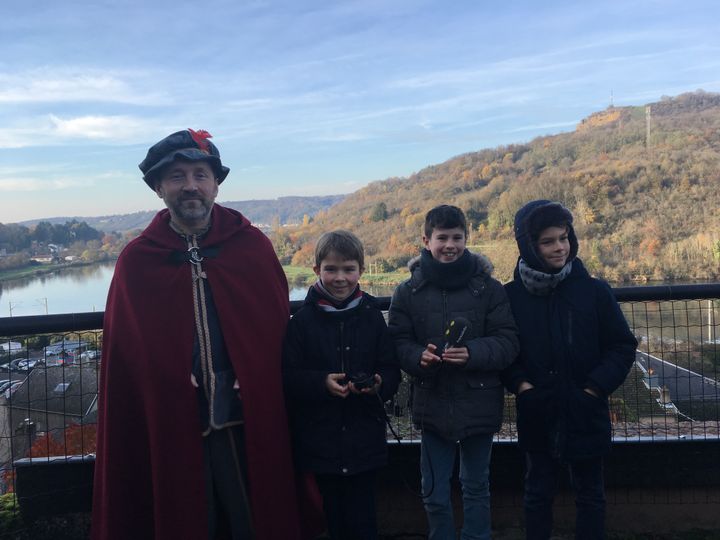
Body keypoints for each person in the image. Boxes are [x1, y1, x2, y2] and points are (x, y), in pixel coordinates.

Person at [92, 129, 320, 540]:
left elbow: (272, 331)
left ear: (216, 184)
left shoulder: (250, 247)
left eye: (200, 174)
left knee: (254, 521)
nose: (191, 186)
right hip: (173, 422)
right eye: (178, 176)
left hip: (247, 417)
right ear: (159, 188)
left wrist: (248, 368)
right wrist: (167, 374)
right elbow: (129, 352)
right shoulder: (137, 262)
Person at [501, 200, 637, 540]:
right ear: (529, 245)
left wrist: (593, 389)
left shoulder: (594, 291)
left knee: (590, 494)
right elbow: (504, 351)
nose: (559, 247)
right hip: (538, 410)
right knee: (537, 493)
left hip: (586, 410)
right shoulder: (510, 296)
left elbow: (621, 346)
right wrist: (522, 387)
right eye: (548, 241)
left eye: (563, 238)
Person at [388, 205, 519, 540]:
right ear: (426, 240)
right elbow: (399, 342)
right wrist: (420, 357)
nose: (450, 245)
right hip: (432, 402)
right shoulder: (407, 292)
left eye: (456, 237)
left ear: (467, 238)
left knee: (476, 486)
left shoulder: (490, 289)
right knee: (432, 490)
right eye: (442, 237)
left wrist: (472, 353)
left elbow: (508, 342)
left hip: (479, 400)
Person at [282, 230, 401, 540]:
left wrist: (378, 384)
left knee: (364, 521)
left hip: (364, 440)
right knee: (330, 520)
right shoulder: (301, 323)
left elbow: (390, 368)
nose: (340, 278)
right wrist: (321, 383)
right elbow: (288, 375)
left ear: (360, 270)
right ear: (316, 270)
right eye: (331, 269)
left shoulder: (374, 318)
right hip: (320, 442)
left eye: (348, 269)